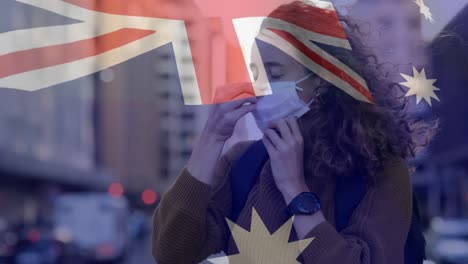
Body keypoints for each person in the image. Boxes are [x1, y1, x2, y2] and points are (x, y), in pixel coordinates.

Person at [151, 1, 437, 263]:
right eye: (256, 74)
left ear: (324, 80)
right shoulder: (243, 162)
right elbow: (172, 252)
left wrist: (295, 190)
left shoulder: (380, 168)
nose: (260, 88)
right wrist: (211, 140)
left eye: (274, 74)